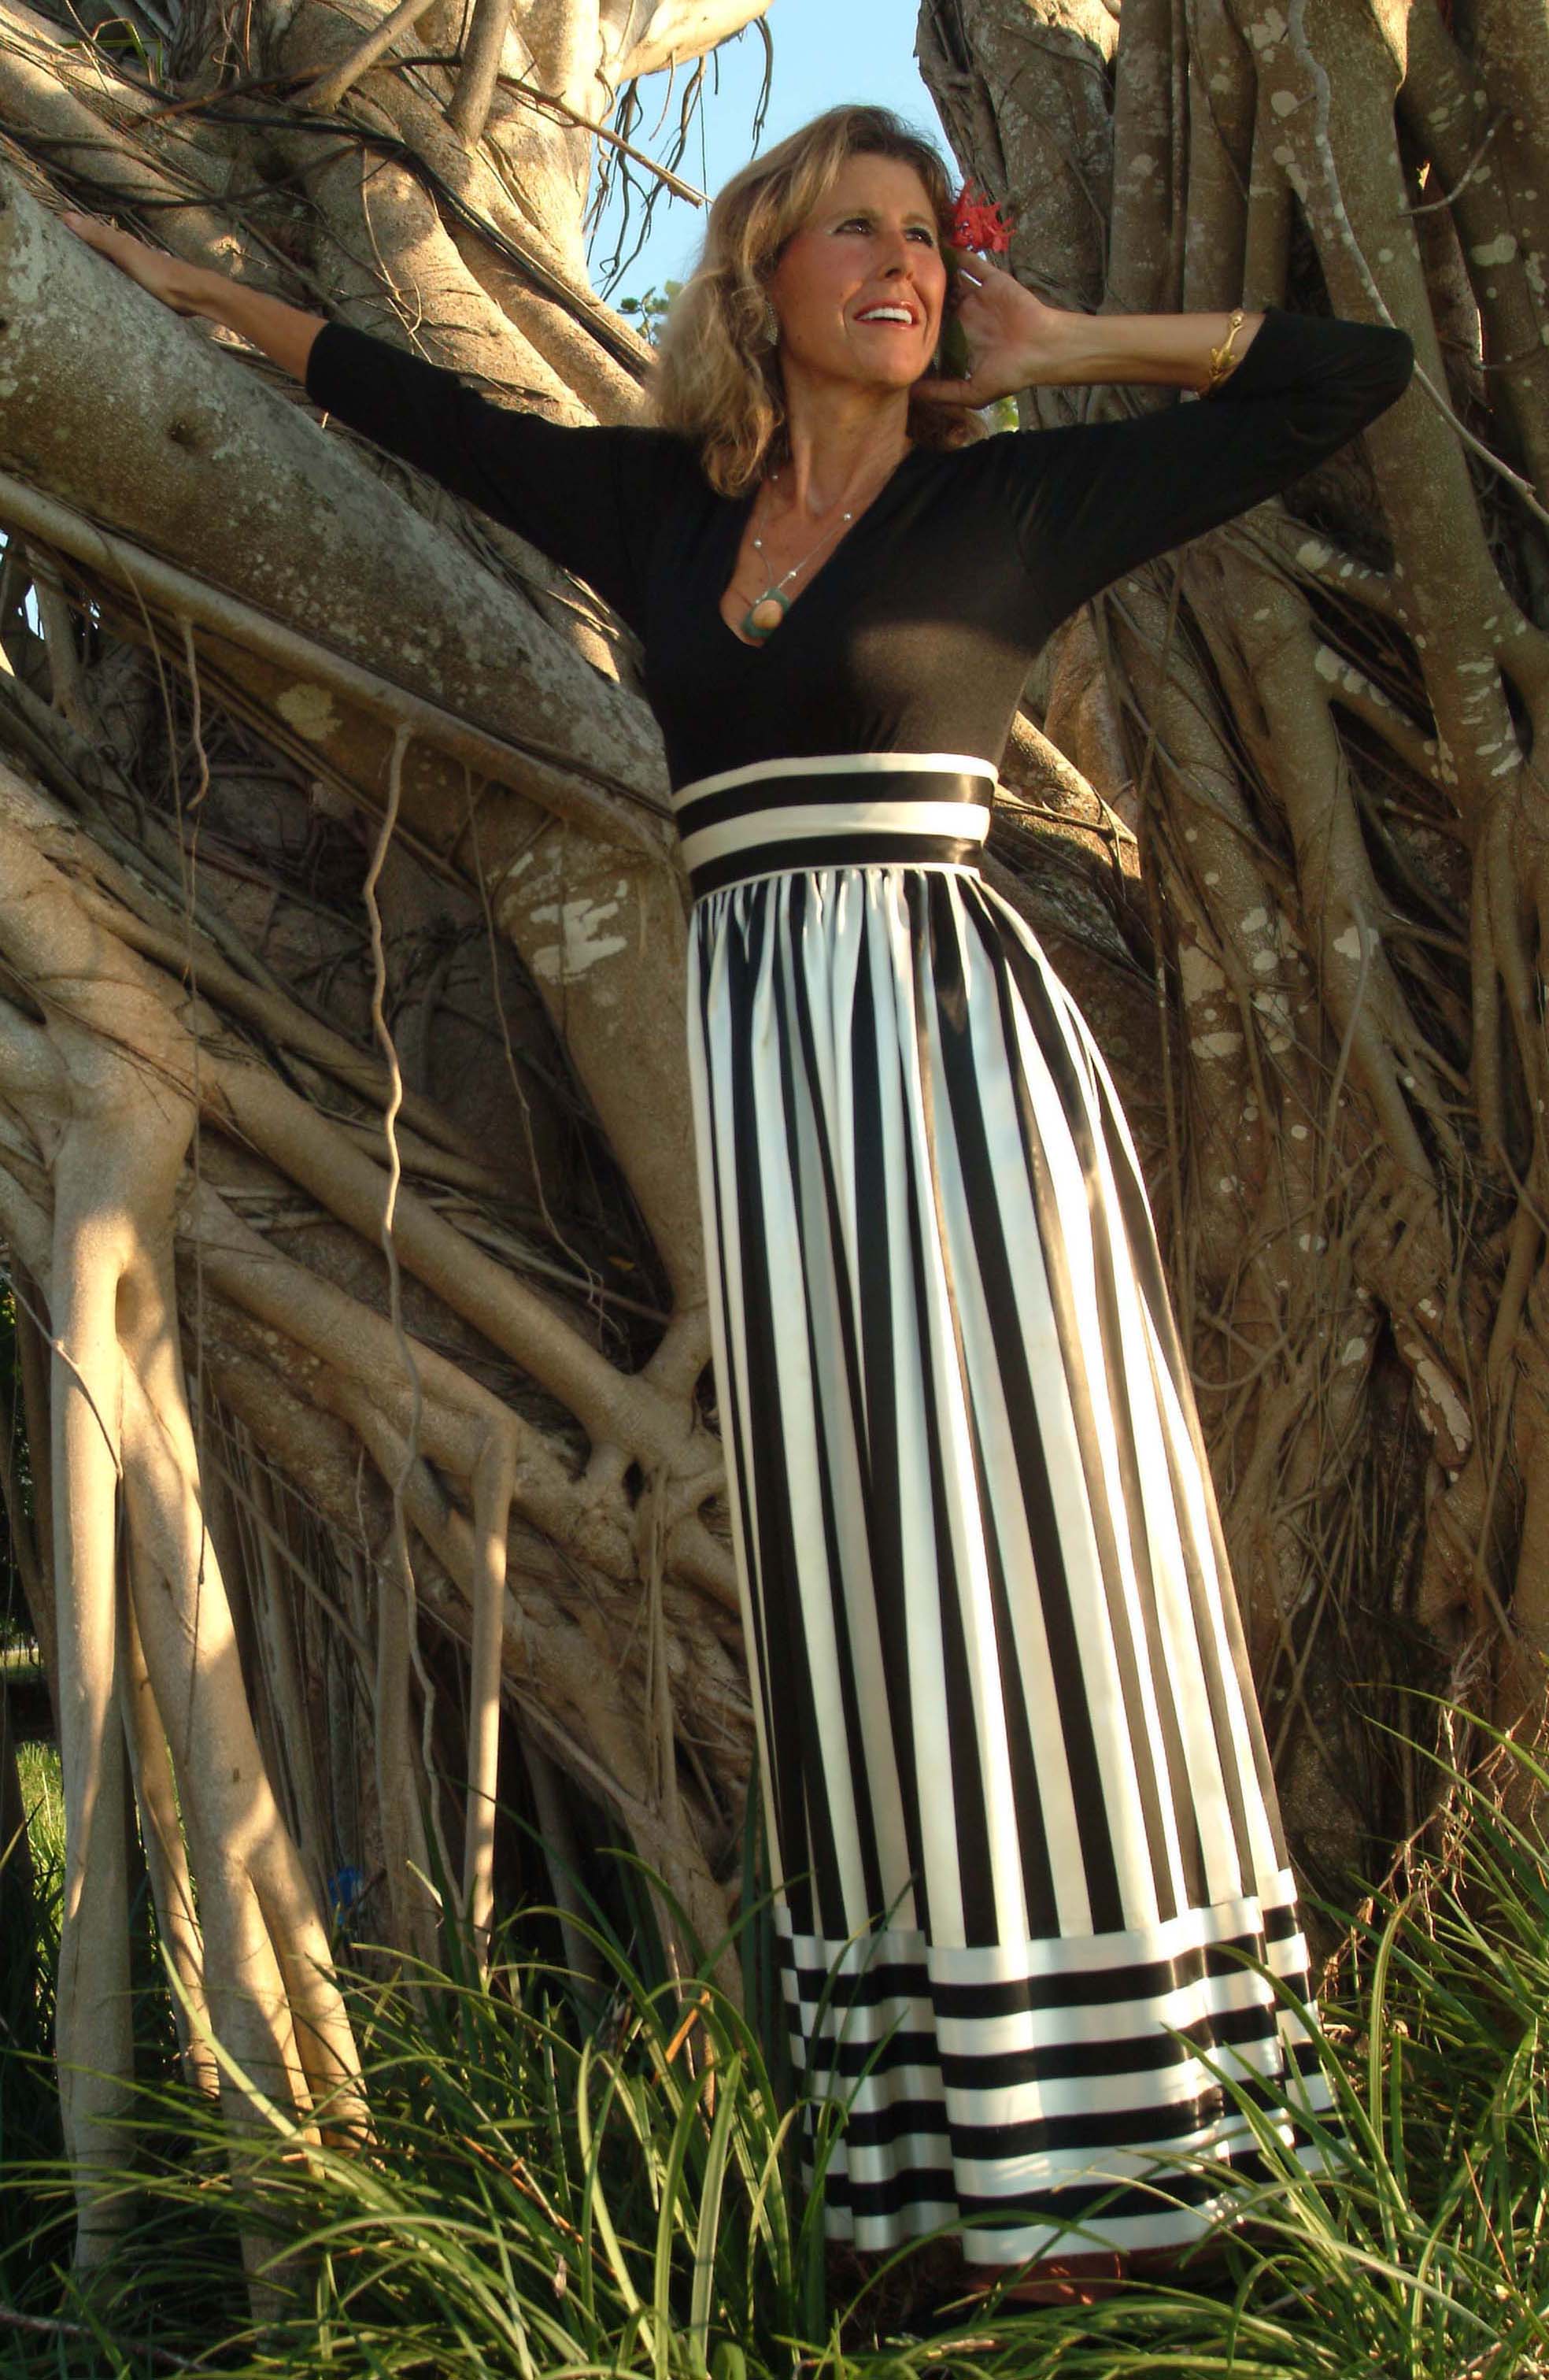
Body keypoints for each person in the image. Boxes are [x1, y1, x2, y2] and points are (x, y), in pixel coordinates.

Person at [61, 98, 1414, 2309]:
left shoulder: (1012, 499)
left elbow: (1347, 379)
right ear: (760, 279)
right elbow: (402, 400)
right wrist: (176, 286)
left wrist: (1063, 340)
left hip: (961, 1084)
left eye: (923, 235)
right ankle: (944, 2172)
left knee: (1043, 1552)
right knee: (871, 1584)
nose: (901, 262)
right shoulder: (664, 513)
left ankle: (1150, 2154)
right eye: (852, 229)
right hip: (779, 1101)